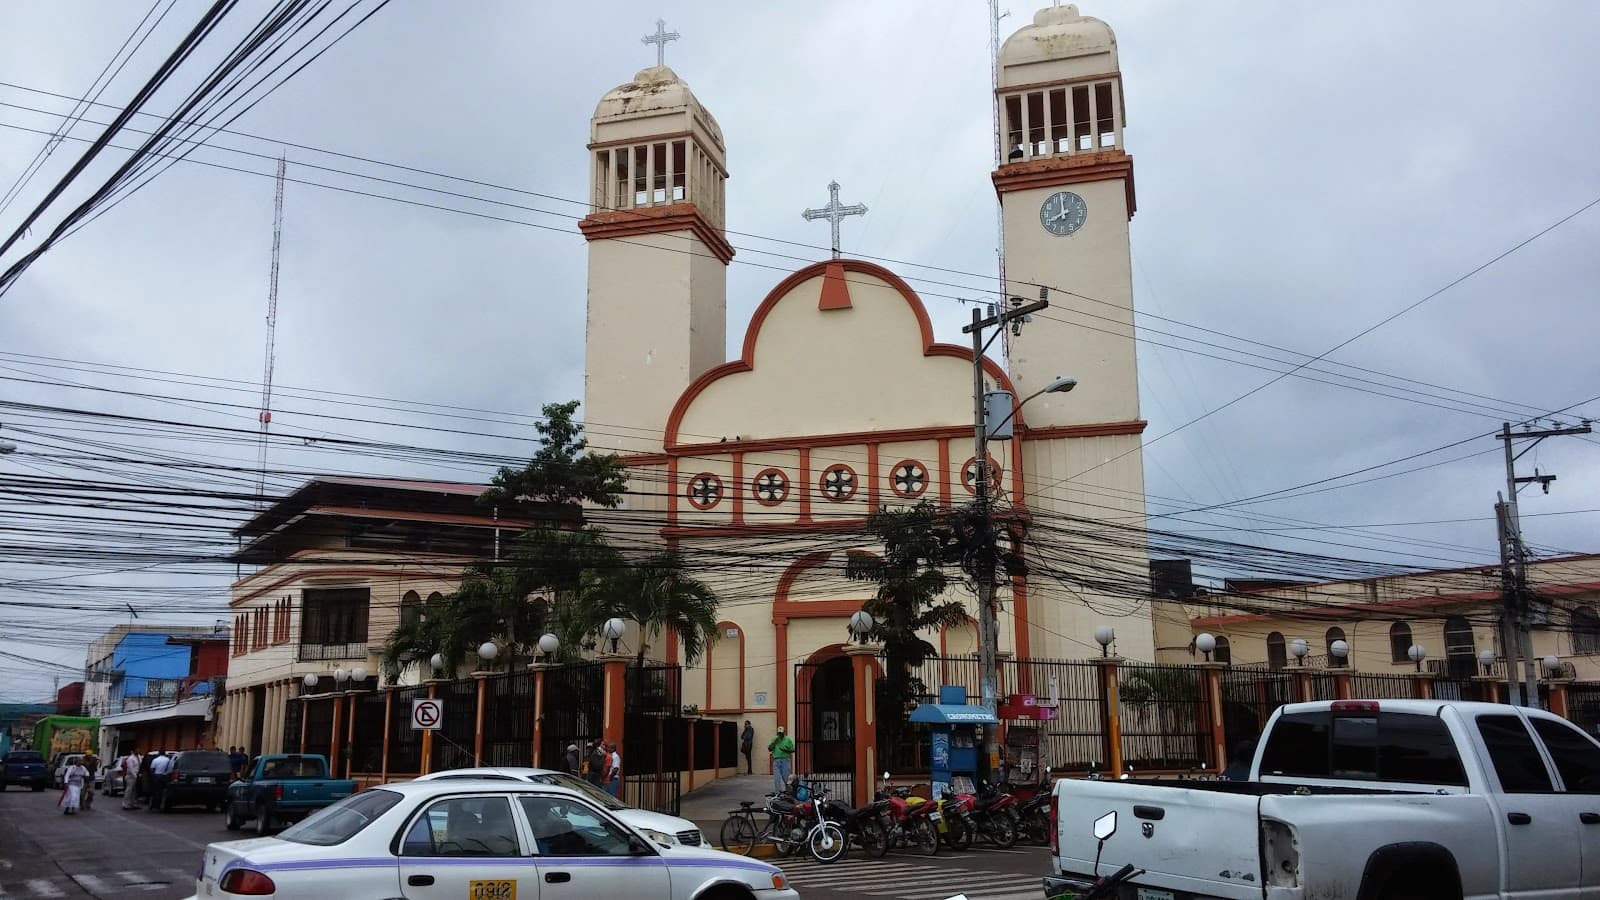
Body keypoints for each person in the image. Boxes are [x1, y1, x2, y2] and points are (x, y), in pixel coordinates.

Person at [767, 725, 795, 796]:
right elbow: (769, 749)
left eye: (781, 733)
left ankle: (789, 792)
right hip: (776, 760)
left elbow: (793, 749)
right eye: (779, 733)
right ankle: (777, 793)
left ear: (784, 732)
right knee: (777, 778)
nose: (780, 735)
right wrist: (774, 742)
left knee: (786, 778)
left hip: (785, 760)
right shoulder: (774, 739)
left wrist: (785, 750)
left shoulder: (787, 739)